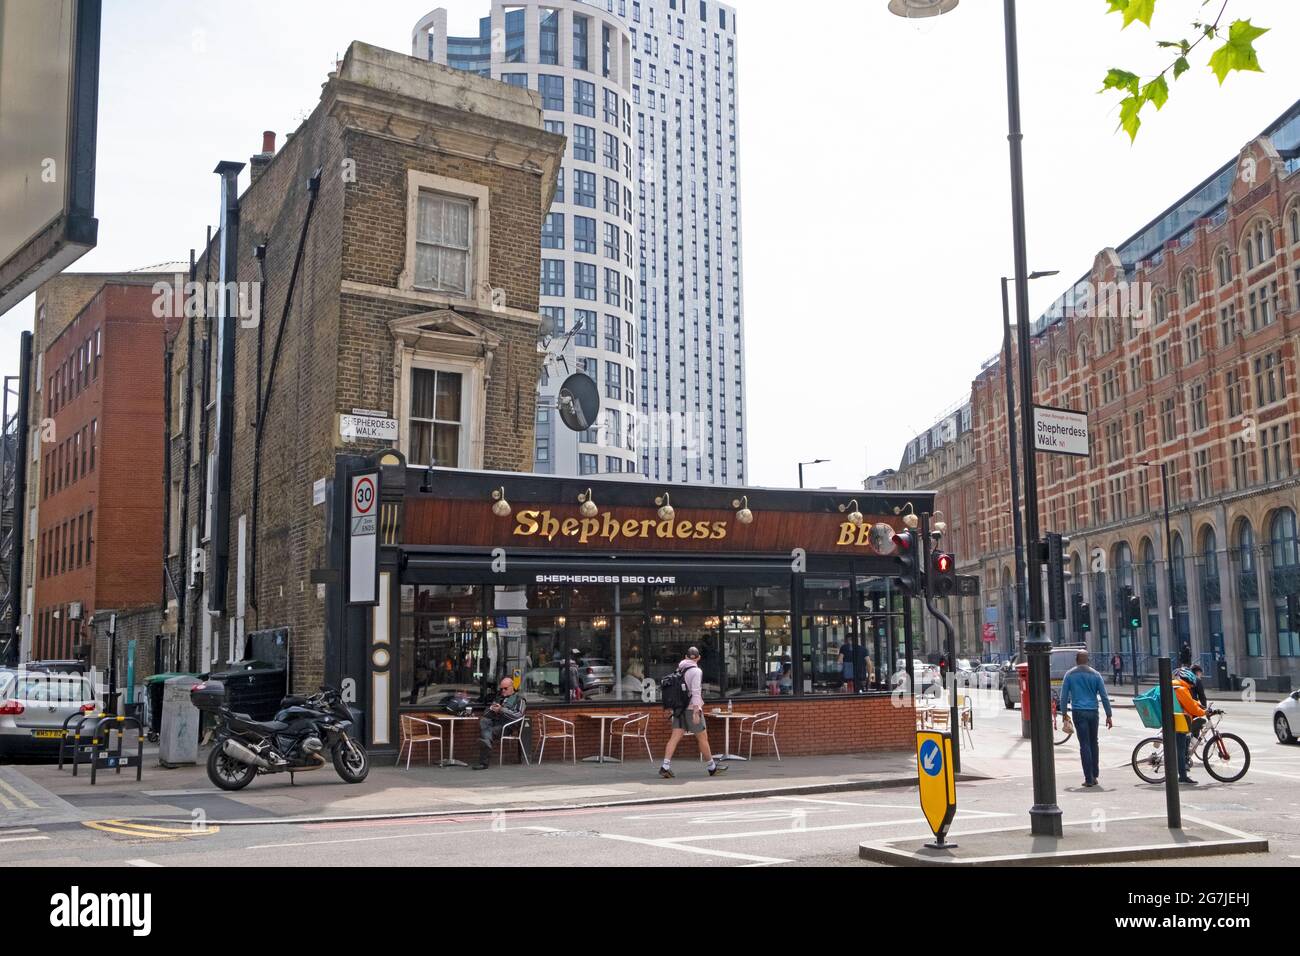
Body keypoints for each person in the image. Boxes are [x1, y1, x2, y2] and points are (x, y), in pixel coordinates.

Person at [659, 646, 728, 778]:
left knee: (674, 738)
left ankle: (665, 766)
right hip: (691, 709)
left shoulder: (680, 668)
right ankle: (712, 767)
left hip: (679, 709)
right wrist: (697, 711)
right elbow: (696, 692)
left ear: (685, 657)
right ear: (698, 658)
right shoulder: (696, 671)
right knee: (702, 738)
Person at [1057, 650, 1113, 788]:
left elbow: (1063, 697)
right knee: (1094, 742)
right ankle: (1095, 773)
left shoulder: (1069, 675)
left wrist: (1064, 713)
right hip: (1093, 711)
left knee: (1084, 745)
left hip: (1079, 712)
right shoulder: (1096, 675)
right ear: (1087, 660)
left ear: (1076, 660)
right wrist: (1109, 715)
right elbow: (1104, 696)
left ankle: (1088, 777)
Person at [473, 676, 527, 770]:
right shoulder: (499, 698)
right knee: (484, 720)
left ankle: (484, 762)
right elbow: (485, 714)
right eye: (501, 689)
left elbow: (518, 715)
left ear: (512, 687)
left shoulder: (520, 699)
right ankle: (487, 742)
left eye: (505, 688)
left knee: (486, 733)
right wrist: (491, 709)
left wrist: (501, 710)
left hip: (507, 727)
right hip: (495, 723)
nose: (503, 691)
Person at [1172, 666, 1207, 784]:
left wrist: (1199, 704)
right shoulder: (1182, 689)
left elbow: (1190, 701)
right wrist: (1204, 712)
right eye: (1191, 684)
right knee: (1181, 750)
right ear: (1188, 681)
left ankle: (1182, 773)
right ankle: (1182, 776)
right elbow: (1191, 707)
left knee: (1183, 746)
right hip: (1180, 722)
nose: (1192, 686)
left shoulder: (1177, 686)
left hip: (1178, 721)